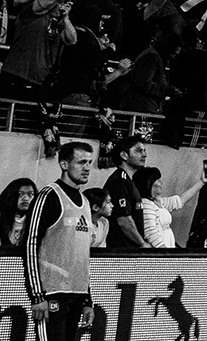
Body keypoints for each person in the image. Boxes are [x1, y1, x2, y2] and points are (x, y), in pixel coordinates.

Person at [25, 140, 96, 341]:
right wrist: (37, 296)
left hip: (77, 293)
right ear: (64, 164)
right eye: (81, 162)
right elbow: (30, 245)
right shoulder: (49, 196)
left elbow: (83, 256)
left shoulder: (86, 203)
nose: (87, 168)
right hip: (52, 293)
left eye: (90, 162)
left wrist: (88, 299)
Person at [135, 165, 207, 249]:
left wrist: (202, 182)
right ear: (149, 183)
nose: (161, 183)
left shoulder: (159, 201)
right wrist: (165, 252)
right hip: (161, 254)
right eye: (158, 180)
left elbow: (180, 200)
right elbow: (151, 233)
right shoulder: (146, 205)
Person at [104, 135, 150, 248]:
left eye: (144, 151)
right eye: (139, 151)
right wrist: (142, 243)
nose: (144, 154)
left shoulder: (129, 181)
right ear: (124, 155)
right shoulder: (119, 181)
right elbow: (123, 221)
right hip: (121, 250)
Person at [0, 178, 37, 250]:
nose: (25, 198)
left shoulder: (36, 221)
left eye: (30, 194)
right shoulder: (1, 219)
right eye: (20, 194)